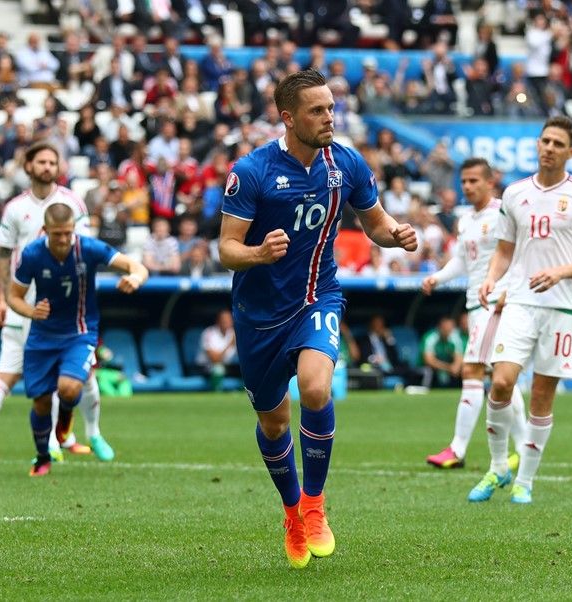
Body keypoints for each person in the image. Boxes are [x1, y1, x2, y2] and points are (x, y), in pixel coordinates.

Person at [218, 69, 417, 568]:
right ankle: (291, 514)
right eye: (317, 110)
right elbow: (226, 249)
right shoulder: (252, 170)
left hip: (317, 297)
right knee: (273, 423)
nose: (329, 117)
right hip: (259, 315)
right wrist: (259, 253)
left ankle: (314, 504)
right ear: (288, 118)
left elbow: (376, 224)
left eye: (331, 108)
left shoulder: (346, 163)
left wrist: (397, 235)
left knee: (315, 388)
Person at [469, 116, 572, 505]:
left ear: (571, 152)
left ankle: (525, 481)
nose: (549, 148)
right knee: (501, 382)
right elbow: (504, 250)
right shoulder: (515, 193)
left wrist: (560, 272)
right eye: (545, 141)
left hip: (563, 307)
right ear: (537, 144)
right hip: (519, 300)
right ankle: (499, 466)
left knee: (542, 396)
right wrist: (491, 279)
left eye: (558, 144)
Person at [0, 142, 115, 461]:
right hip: (27, 306)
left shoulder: (71, 203)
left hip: (65, 305)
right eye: (41, 161)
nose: (47, 167)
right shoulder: (15, 208)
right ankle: (61, 442)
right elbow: (3, 255)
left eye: (52, 162)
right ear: (28, 166)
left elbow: (83, 250)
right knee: (42, 373)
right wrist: (1, 297)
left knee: (24, 373)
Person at [7, 202, 148, 476]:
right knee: (41, 402)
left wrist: (135, 278)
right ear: (45, 230)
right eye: (57, 234)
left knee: (70, 389)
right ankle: (42, 456)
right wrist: (31, 311)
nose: (63, 239)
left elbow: (136, 266)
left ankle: (70, 420)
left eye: (68, 233)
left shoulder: (88, 248)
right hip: (42, 336)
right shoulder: (33, 254)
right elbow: (13, 296)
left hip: (79, 333)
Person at [422, 158, 527, 470]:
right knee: (501, 376)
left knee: (473, 371)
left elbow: (520, 255)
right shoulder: (465, 219)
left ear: (490, 182)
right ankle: (524, 447)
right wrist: (437, 278)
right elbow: (462, 261)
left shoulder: (503, 213)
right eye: (464, 181)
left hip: (498, 302)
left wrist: (510, 290)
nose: (467, 186)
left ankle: (457, 448)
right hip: (476, 303)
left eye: (474, 181)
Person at [197, 309, 237, 391]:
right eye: (224, 320)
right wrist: (230, 344)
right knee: (218, 369)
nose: (227, 322)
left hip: (229, 366)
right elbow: (215, 359)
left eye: (229, 320)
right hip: (206, 367)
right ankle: (217, 392)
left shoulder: (234, 333)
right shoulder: (208, 333)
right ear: (218, 321)